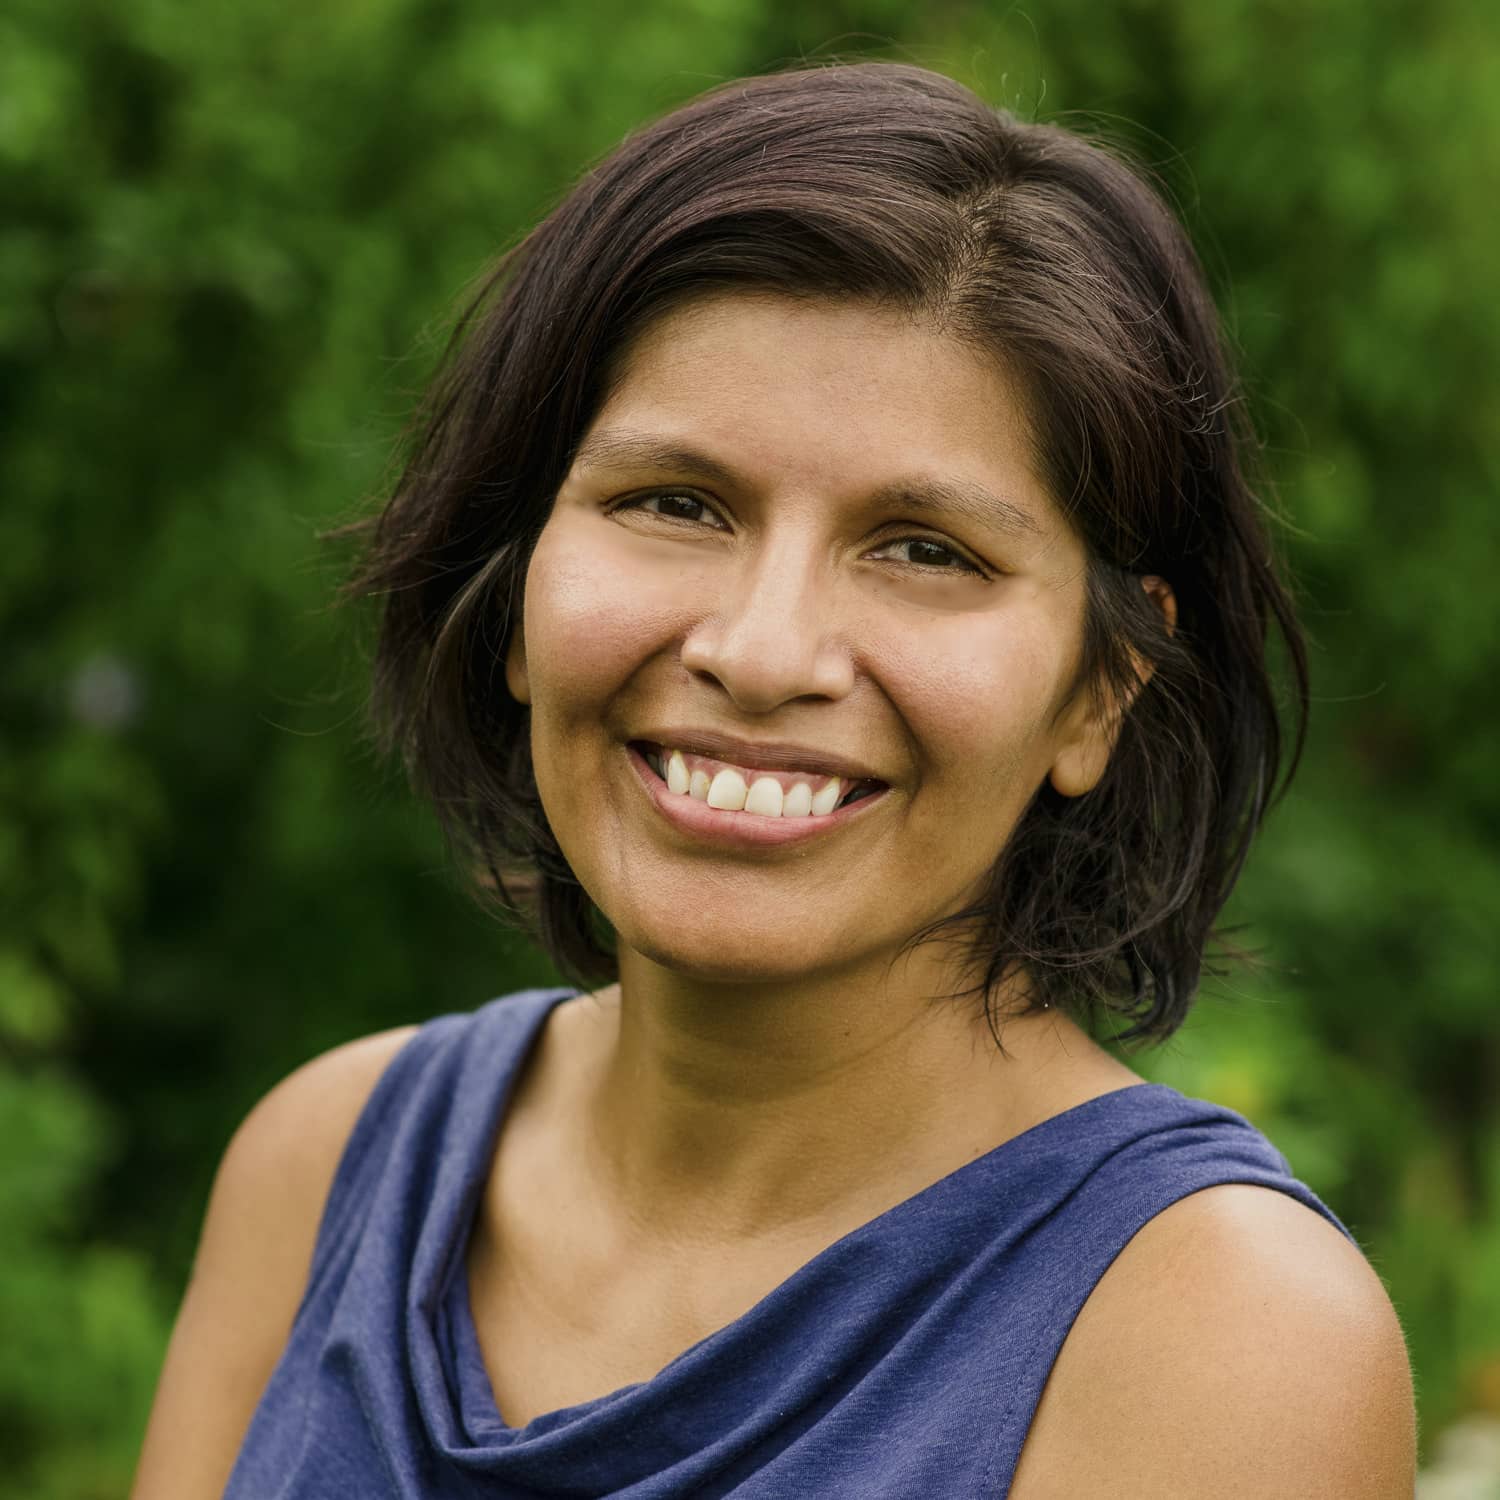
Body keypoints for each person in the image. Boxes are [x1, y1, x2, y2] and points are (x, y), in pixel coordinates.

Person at [131, 61, 1417, 1498]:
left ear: (1099, 689)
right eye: (674, 504)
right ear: (515, 591)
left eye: (926, 548)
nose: (761, 651)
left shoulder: (1215, 1336)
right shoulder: (327, 1166)